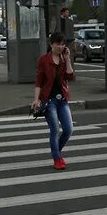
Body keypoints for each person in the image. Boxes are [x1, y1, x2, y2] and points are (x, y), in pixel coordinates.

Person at [33, 31, 76, 170]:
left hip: (62, 99)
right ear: (51, 44)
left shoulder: (64, 59)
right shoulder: (44, 60)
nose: (60, 47)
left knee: (68, 129)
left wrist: (68, 59)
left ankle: (57, 151)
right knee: (55, 129)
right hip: (49, 100)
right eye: (58, 44)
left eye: (63, 44)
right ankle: (57, 158)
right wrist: (36, 100)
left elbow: (70, 77)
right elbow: (39, 81)